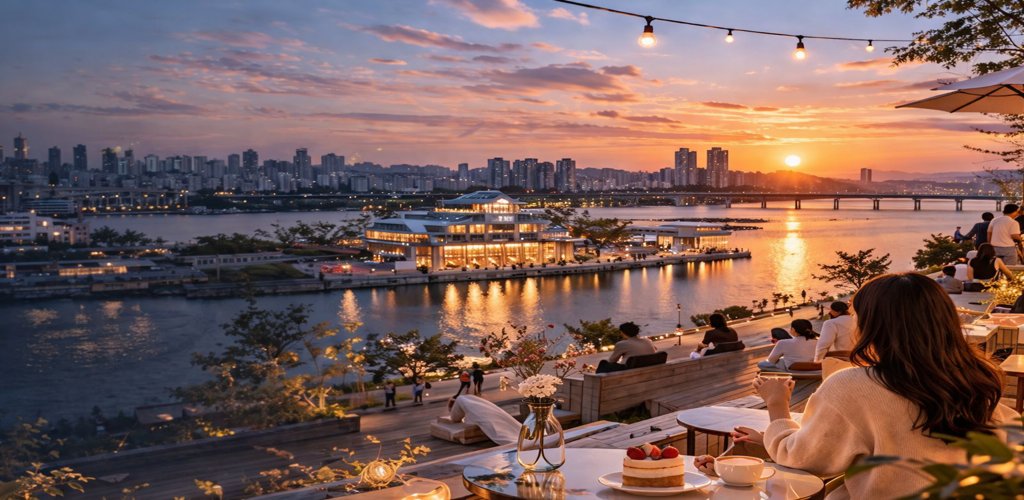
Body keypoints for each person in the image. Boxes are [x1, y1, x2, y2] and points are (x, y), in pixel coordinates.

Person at [695, 273, 1019, 499]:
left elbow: (807, 460)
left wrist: (777, 404)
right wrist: (770, 438)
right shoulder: (975, 386)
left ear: (873, 326)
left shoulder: (855, 385)